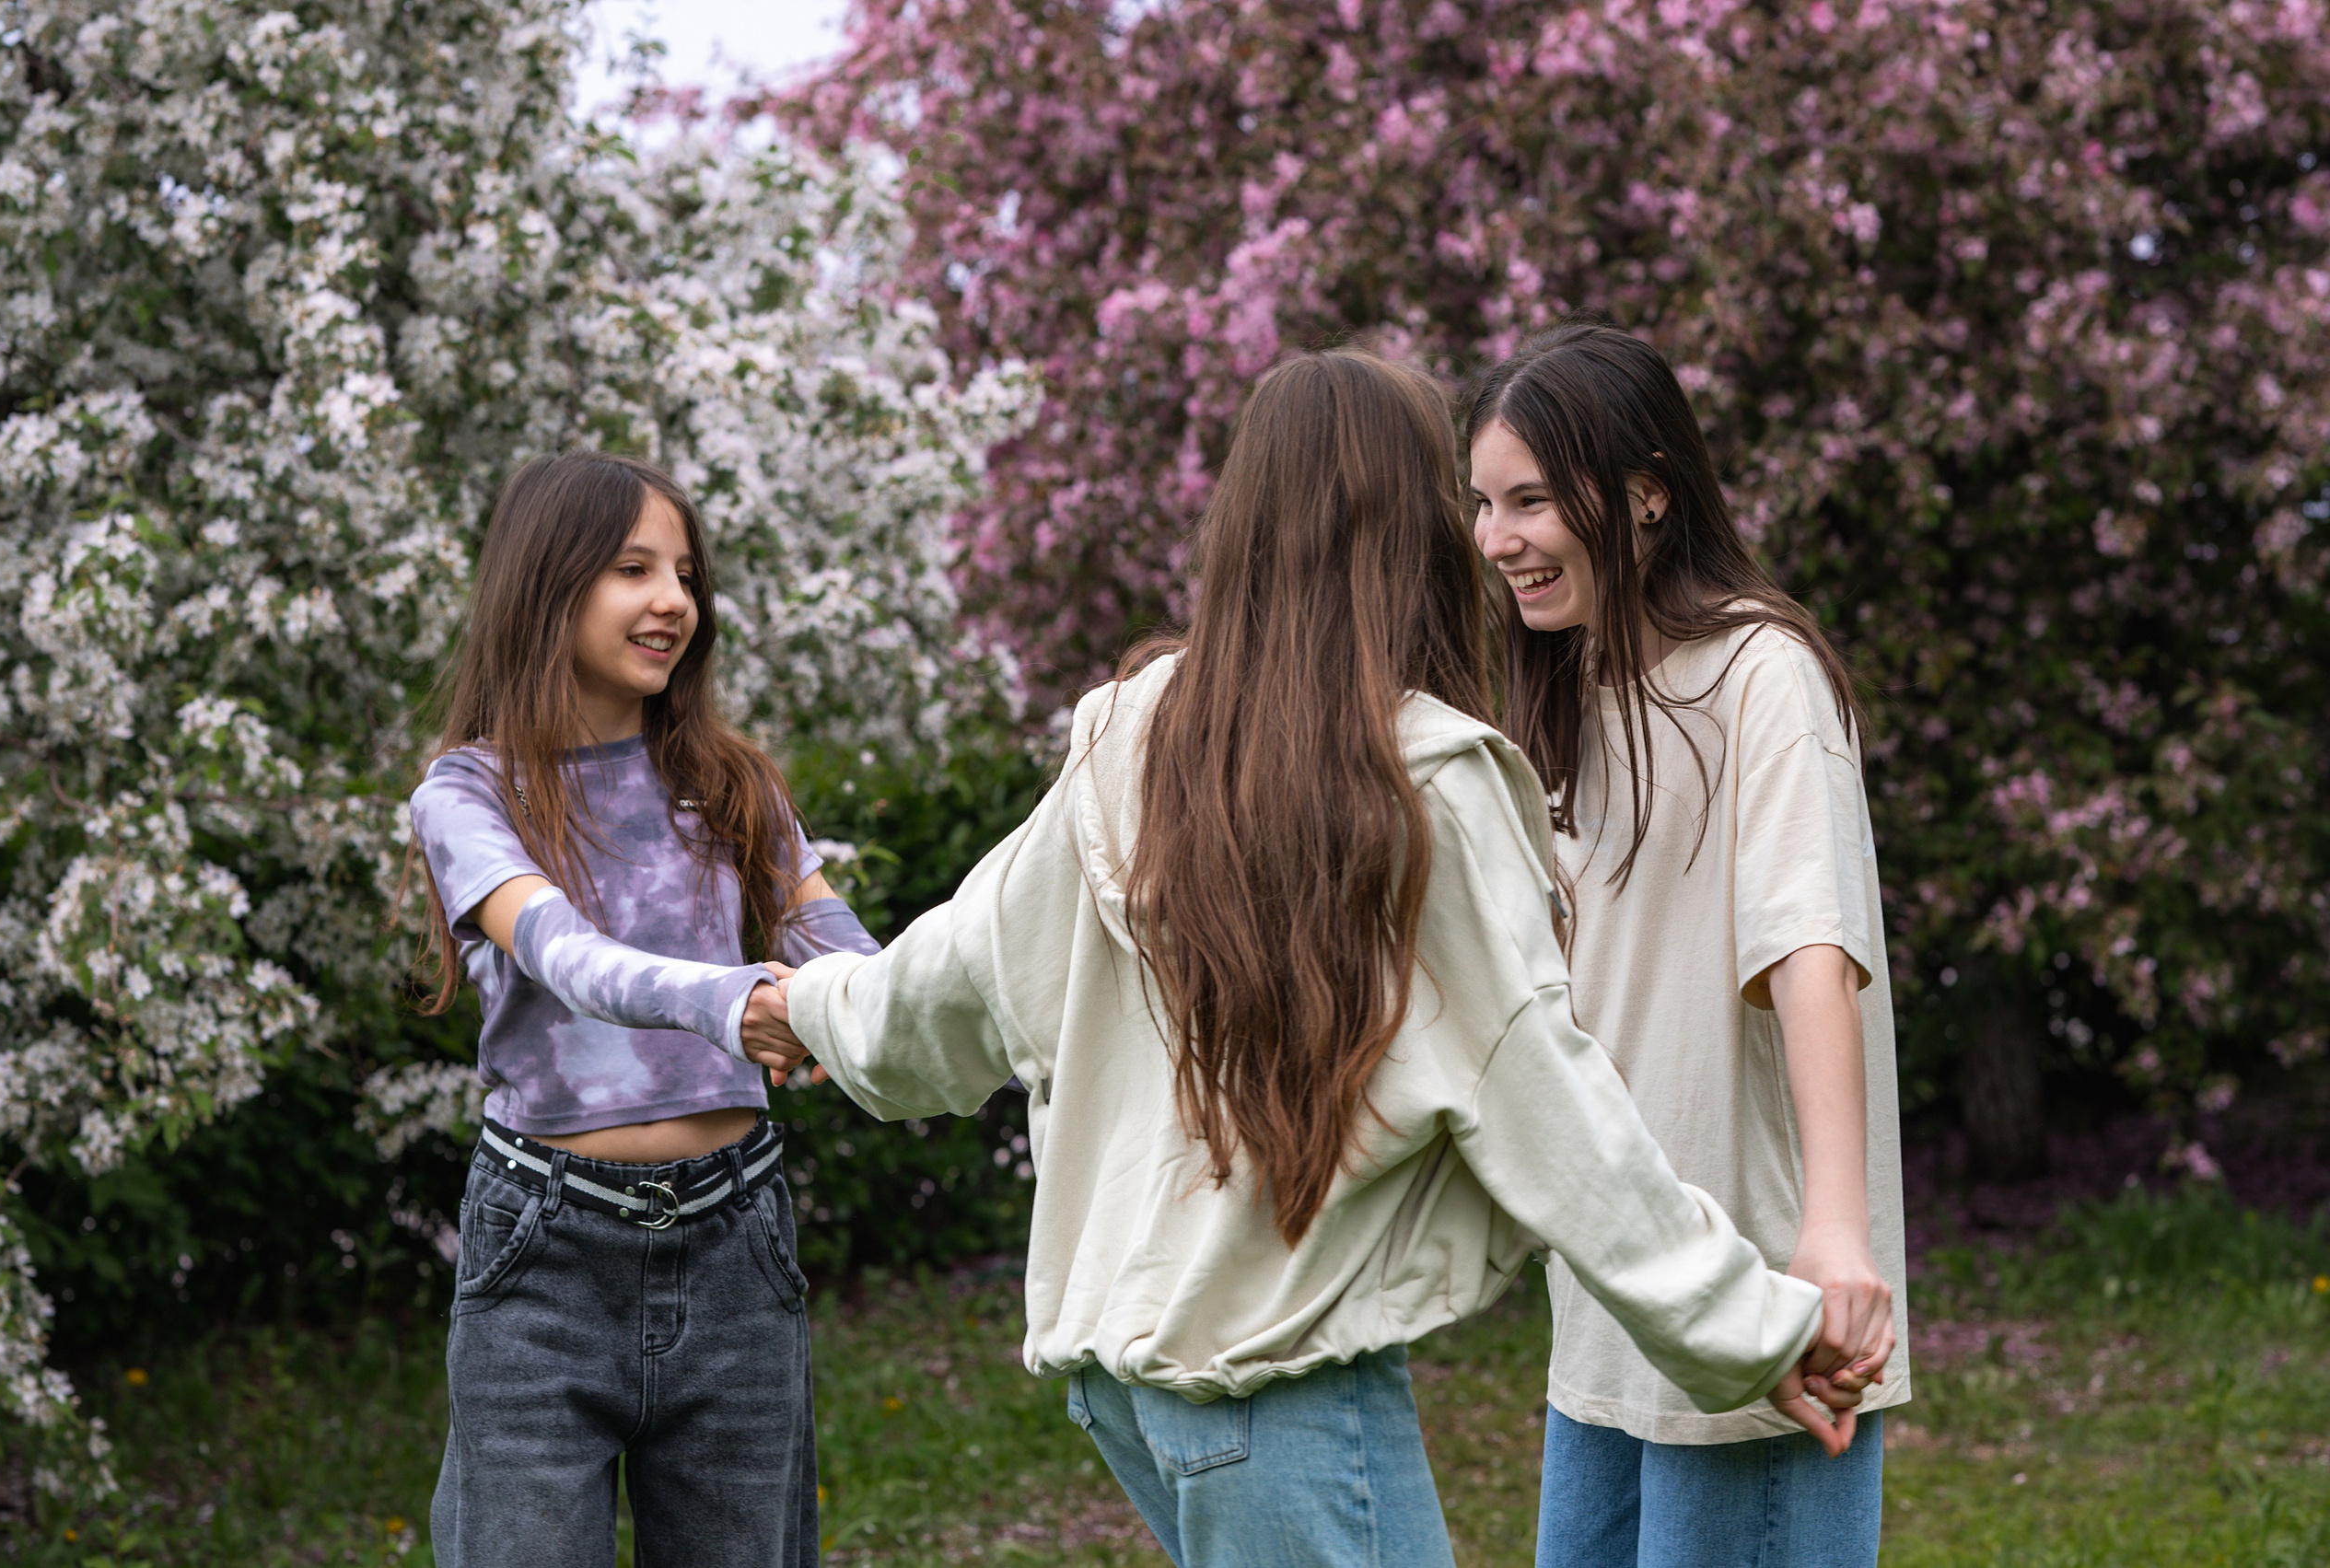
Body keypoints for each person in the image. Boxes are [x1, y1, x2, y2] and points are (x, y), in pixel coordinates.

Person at [741, 351, 1866, 1568]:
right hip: (1277, 1396)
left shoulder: (1135, 730)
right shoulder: (1426, 781)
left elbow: (948, 979)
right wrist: (1750, 1323)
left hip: (1133, 1389)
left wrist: (806, 1004)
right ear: (1413, 533)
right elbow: (1547, 1101)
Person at [1465, 319, 1906, 1568]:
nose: (1501, 537)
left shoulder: (1762, 670)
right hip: (1619, 1295)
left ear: (1649, 493)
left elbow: (1809, 941)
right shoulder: (1568, 693)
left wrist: (1832, 1231)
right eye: (1487, 503)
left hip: (1762, 1295)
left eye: (1535, 499)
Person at [404, 450, 878, 1568]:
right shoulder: (469, 794)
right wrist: (742, 1003)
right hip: (543, 1256)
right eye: (632, 568)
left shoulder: (732, 780)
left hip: (737, 1246)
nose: (673, 598)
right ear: (545, 583)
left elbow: (849, 954)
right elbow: (571, 959)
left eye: (684, 573)